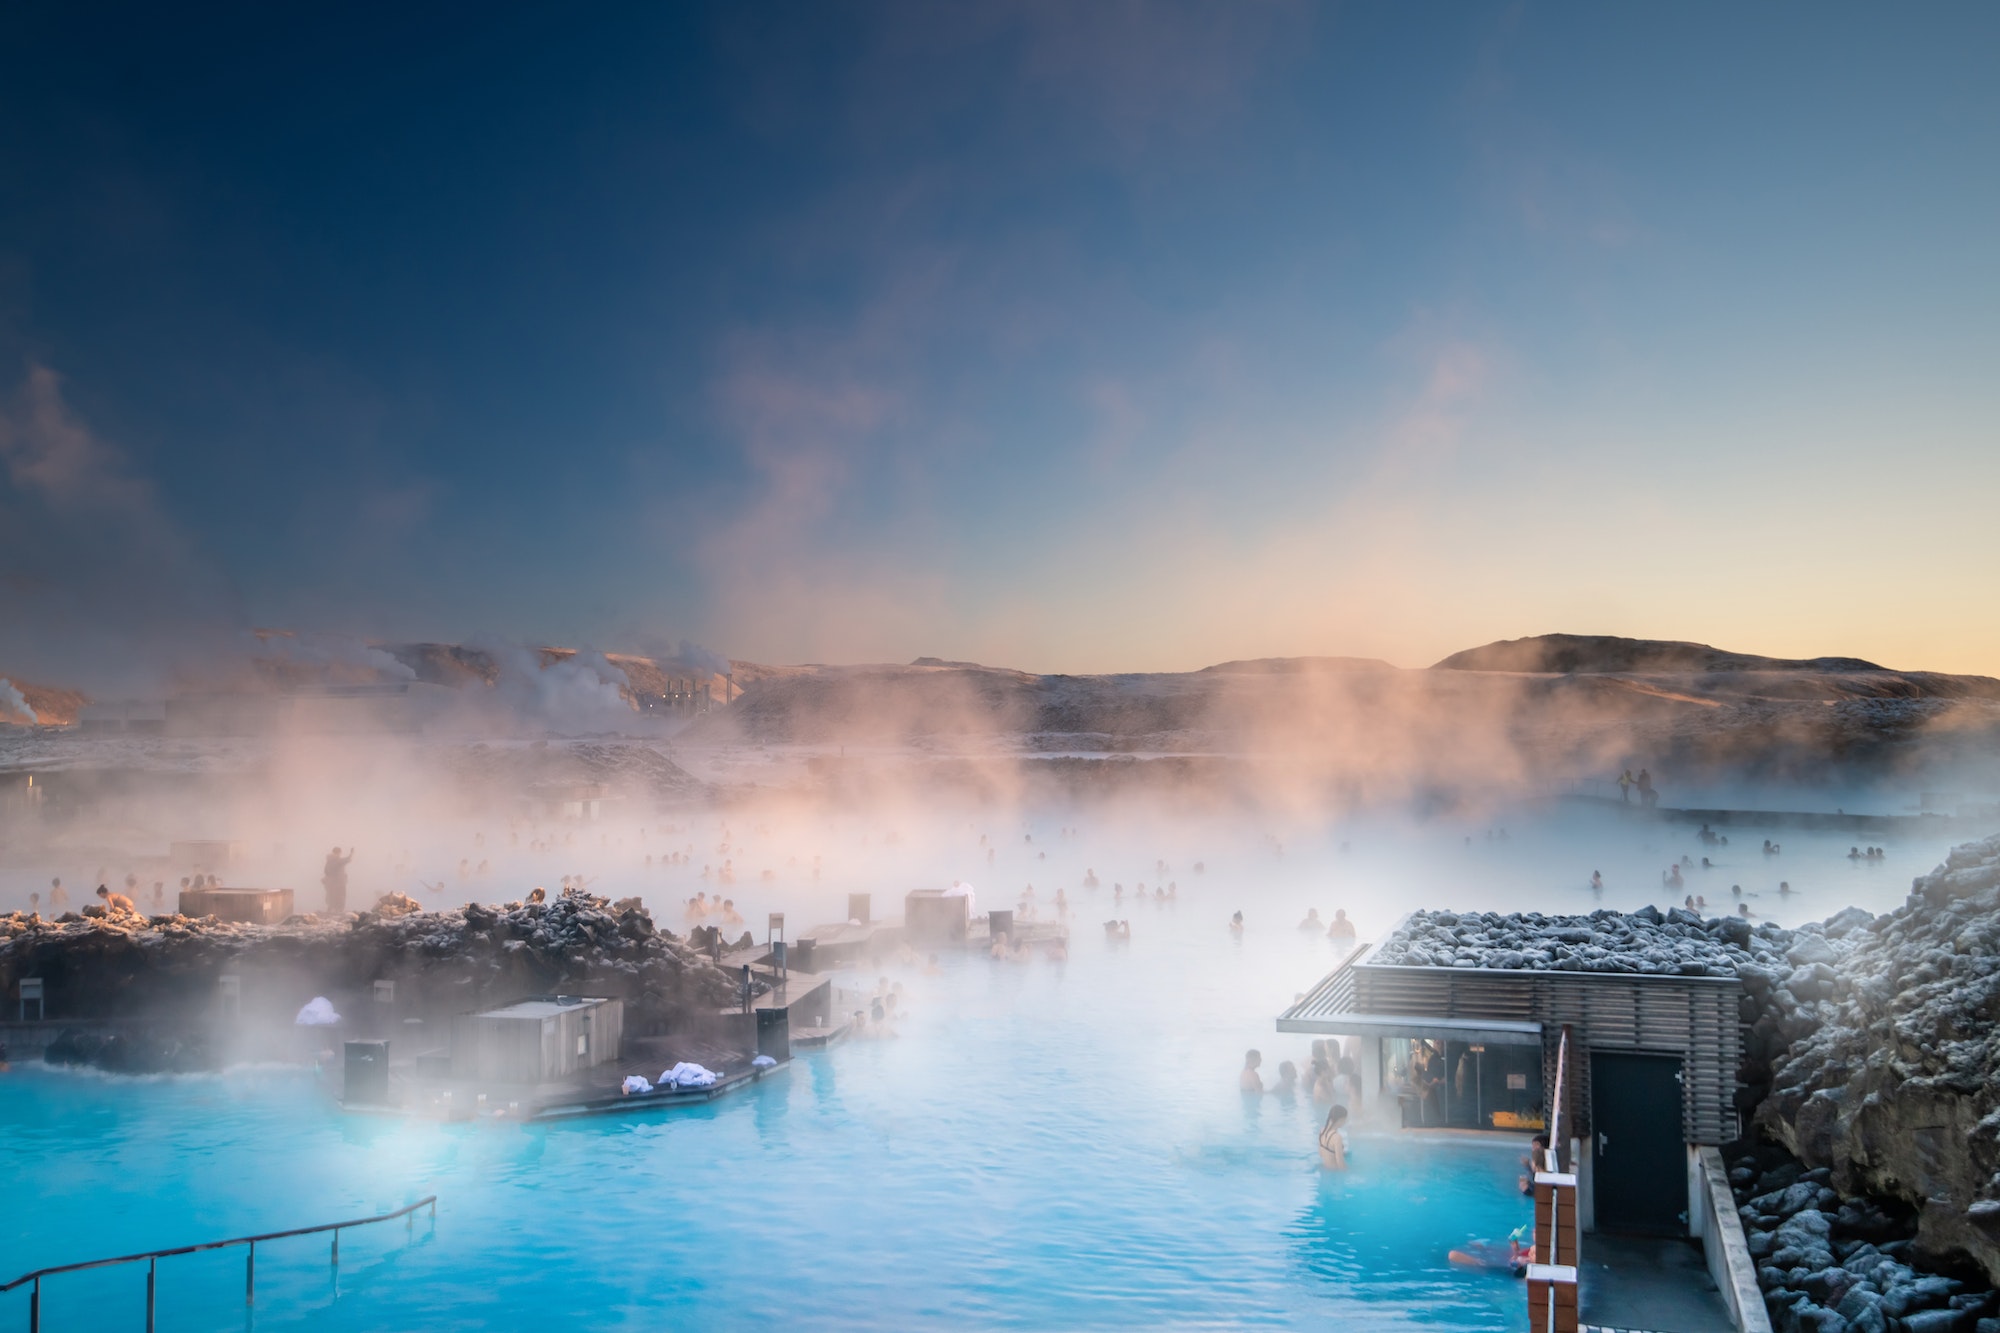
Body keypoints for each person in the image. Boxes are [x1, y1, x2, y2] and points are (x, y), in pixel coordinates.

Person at [320, 848, 354, 916]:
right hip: (338, 882)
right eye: (338, 853)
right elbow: (347, 860)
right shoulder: (337, 860)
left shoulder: (329, 860)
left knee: (332, 896)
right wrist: (351, 853)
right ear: (337, 853)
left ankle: (331, 909)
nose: (339, 854)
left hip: (332, 882)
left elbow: (326, 871)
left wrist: (326, 879)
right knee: (339, 896)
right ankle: (337, 910)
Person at [1317, 1104, 1350, 1170]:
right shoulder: (1337, 1137)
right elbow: (1340, 1163)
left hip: (1325, 1168)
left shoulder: (1322, 1131)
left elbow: (1321, 1153)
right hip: (1335, 1171)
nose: (1345, 1122)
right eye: (1345, 1119)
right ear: (1340, 1120)